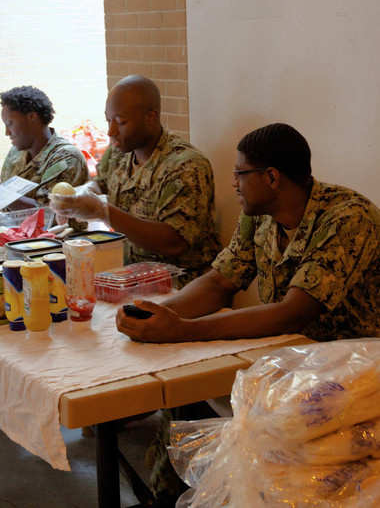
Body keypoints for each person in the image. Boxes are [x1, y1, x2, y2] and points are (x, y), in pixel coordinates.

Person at [115, 122, 379, 506]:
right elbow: (221, 281)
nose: (234, 184)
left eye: (240, 174)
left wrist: (182, 330)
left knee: (269, 448)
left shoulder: (346, 218)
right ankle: (170, 495)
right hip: (296, 359)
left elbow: (292, 312)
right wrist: (158, 313)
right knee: (186, 393)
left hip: (357, 374)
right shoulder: (259, 215)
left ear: (271, 177)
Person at [50, 75, 221, 285]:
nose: (111, 131)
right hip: (131, 277)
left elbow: (174, 242)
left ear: (151, 117)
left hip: (181, 285)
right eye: (108, 120)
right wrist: (82, 194)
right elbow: (103, 182)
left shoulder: (185, 166)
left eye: (121, 122)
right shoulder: (120, 153)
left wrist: (103, 212)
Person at [0, 85, 88, 211]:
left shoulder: (67, 158)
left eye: (10, 124)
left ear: (32, 117)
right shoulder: (16, 152)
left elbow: (49, 215)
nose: (7, 132)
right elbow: (8, 203)